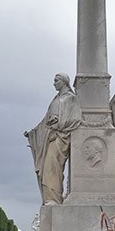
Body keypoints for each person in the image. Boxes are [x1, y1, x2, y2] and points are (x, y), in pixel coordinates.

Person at [25, 73, 82, 204]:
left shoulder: (71, 99)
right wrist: (33, 133)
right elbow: (46, 120)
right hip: (51, 137)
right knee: (48, 167)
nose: (54, 83)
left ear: (64, 82)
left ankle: (54, 198)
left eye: (56, 80)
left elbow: (75, 118)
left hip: (60, 136)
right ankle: (51, 198)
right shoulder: (56, 99)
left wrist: (59, 124)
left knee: (53, 166)